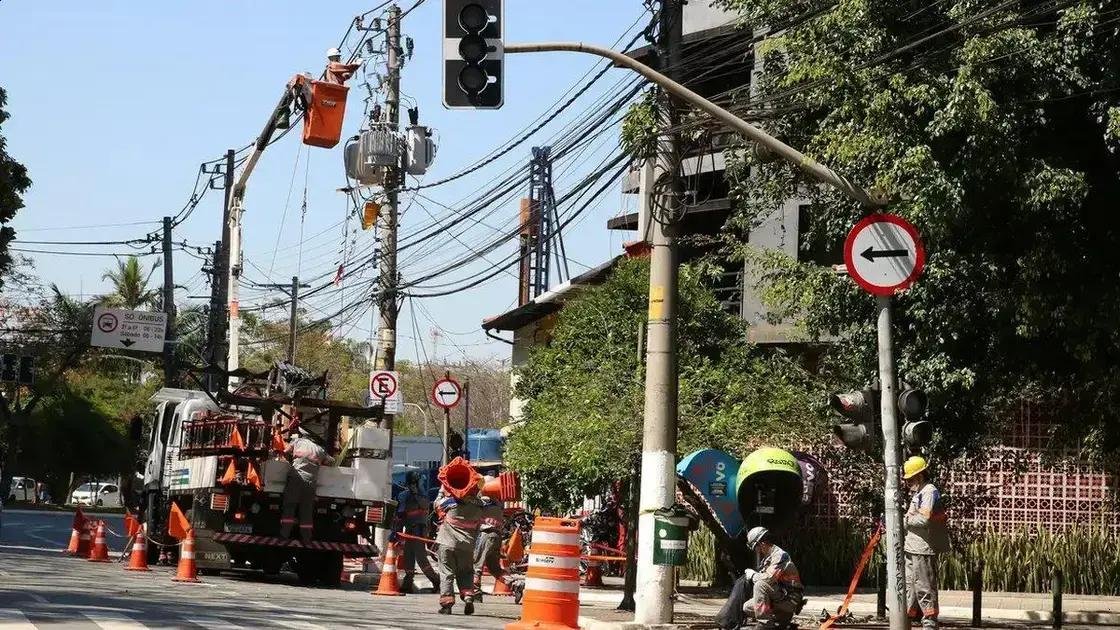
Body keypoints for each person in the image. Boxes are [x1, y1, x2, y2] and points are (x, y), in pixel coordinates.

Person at [716, 526, 804, 630]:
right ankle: (779, 621)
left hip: (790, 599)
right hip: (779, 597)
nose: (756, 550)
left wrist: (753, 575)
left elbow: (768, 579)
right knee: (747, 607)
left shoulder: (780, 556)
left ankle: (764, 624)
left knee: (760, 585)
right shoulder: (767, 558)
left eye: (756, 547)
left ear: (762, 543)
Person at [904, 456, 949, 629]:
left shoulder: (929, 491)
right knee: (910, 588)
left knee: (924, 587)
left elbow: (924, 519)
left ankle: (930, 623)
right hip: (913, 547)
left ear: (920, 476)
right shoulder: (920, 493)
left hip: (922, 548)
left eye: (910, 479)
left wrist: (903, 520)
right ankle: (908, 620)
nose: (908, 483)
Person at [280, 424, 333, 544]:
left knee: (290, 506)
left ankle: (284, 534)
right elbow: (330, 462)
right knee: (306, 510)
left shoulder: (298, 442)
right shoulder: (320, 449)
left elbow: (285, 451)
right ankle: (306, 537)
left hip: (296, 479)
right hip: (310, 482)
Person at [434, 485, 483, 615]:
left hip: (447, 543)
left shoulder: (450, 502)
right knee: (466, 572)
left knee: (447, 573)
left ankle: (447, 604)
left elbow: (436, 505)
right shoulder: (479, 505)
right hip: (467, 546)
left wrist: (442, 491)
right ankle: (468, 597)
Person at [396, 471, 440, 593]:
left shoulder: (421, 496)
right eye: (420, 481)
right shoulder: (406, 495)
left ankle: (435, 580)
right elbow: (400, 514)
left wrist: (414, 493)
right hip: (410, 530)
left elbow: (422, 507)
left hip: (418, 530)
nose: (422, 483)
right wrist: (397, 530)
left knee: (421, 558)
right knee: (408, 556)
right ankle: (407, 583)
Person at [472, 481, 506, 600]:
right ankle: (515, 584)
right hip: (496, 536)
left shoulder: (484, 501)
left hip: (485, 535)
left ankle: (476, 592)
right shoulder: (499, 503)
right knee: (494, 568)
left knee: (477, 565)